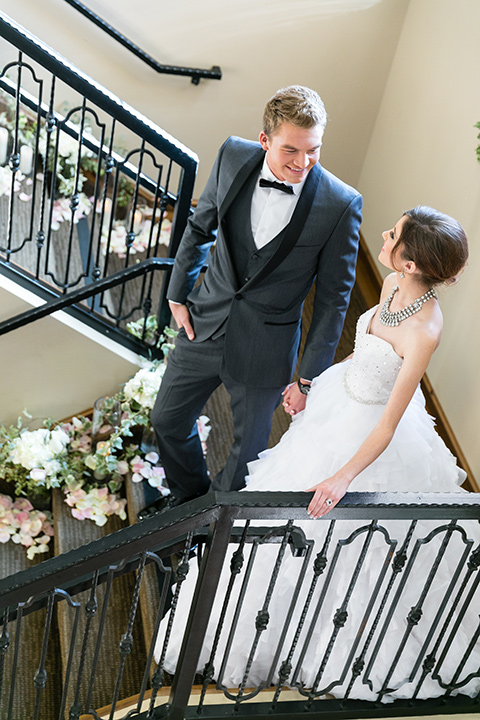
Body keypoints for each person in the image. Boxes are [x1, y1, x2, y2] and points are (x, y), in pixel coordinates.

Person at [154, 206, 480, 701]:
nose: (385, 235)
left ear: (412, 264)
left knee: (329, 544)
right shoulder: (394, 283)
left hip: (368, 436)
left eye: (393, 235)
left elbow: (389, 423)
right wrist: (312, 384)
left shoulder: (424, 331)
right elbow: (365, 350)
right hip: (339, 403)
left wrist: (342, 477)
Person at [144, 85, 363, 511]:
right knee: (166, 420)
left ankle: (210, 524)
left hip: (268, 345)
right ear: (265, 140)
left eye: (314, 150)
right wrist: (178, 293)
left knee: (246, 457)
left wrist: (307, 379)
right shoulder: (232, 156)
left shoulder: (341, 203)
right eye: (291, 151)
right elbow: (200, 224)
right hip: (205, 321)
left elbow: (335, 301)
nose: (303, 163)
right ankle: (188, 499)